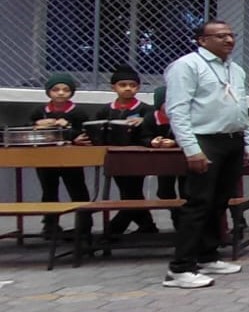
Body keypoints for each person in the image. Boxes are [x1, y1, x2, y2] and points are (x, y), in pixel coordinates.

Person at [162, 19, 249, 289]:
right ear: (202, 40)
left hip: (232, 139)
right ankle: (180, 268)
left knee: (219, 202)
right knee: (198, 203)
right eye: (220, 36)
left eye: (231, 35)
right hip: (205, 140)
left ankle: (207, 256)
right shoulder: (187, 66)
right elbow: (177, 110)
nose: (229, 40)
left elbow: (241, 110)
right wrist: (192, 150)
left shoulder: (235, 70)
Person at [96, 64, 160, 236]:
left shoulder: (146, 110)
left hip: (138, 158)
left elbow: (153, 130)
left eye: (132, 85)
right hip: (115, 157)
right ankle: (147, 226)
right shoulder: (105, 110)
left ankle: (113, 231)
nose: (128, 89)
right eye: (123, 85)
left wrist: (144, 121)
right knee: (129, 193)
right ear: (113, 87)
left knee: (132, 193)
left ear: (138, 88)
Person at [29, 72, 93, 239]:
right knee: (49, 191)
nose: (61, 93)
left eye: (65, 90)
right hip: (46, 157)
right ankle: (50, 225)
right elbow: (29, 129)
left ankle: (84, 226)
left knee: (77, 190)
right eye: (56, 89)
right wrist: (37, 125)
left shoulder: (77, 112)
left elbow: (84, 133)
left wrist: (69, 132)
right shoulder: (40, 111)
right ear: (48, 92)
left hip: (71, 158)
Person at [142, 86, 185, 230]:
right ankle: (176, 214)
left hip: (184, 161)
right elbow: (144, 136)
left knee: (186, 192)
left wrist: (175, 143)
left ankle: (184, 225)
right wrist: (152, 142)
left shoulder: (185, 116)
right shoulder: (151, 118)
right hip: (163, 163)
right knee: (164, 192)